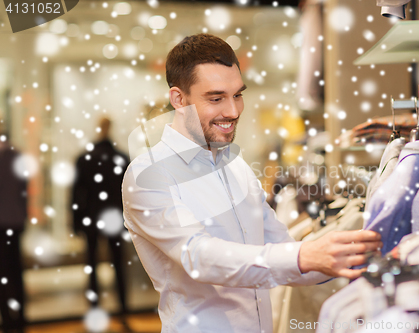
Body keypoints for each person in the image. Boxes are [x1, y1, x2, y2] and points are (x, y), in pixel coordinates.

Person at [122, 33, 382, 333]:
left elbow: (284, 255)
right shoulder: (148, 175)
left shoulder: (237, 168)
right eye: (216, 98)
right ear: (179, 100)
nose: (233, 112)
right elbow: (199, 256)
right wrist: (303, 255)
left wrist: (366, 255)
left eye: (238, 95)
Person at [71, 118, 130, 316]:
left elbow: (77, 193)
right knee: (118, 264)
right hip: (115, 218)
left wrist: (76, 220)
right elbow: (129, 193)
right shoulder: (120, 157)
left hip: (92, 216)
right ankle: (123, 308)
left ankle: (94, 308)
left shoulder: (85, 158)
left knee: (92, 264)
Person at [0, 134, 27, 333]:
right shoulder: (17, 156)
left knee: (3, 273)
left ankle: (8, 318)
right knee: (16, 270)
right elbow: (23, 191)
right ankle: (21, 317)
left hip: (1, 223)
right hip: (16, 222)